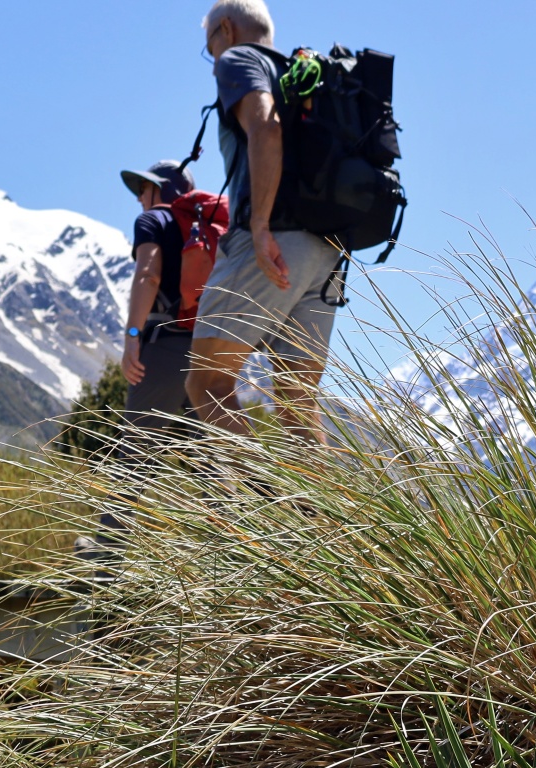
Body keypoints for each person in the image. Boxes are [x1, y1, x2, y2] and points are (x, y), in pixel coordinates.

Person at [185, 0, 342, 441]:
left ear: (227, 30)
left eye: (209, 45)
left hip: (274, 241)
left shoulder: (238, 59)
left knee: (208, 385)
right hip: (327, 250)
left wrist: (258, 225)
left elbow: (265, 127)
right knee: (297, 401)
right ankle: (318, 514)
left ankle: (258, 509)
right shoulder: (301, 75)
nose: (212, 57)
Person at [118, 159, 199, 437]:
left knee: (135, 460)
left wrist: (132, 336)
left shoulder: (152, 219)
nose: (140, 198)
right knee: (211, 463)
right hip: (210, 348)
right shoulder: (204, 228)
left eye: (143, 188)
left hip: (165, 345)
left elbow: (148, 276)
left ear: (163, 190)